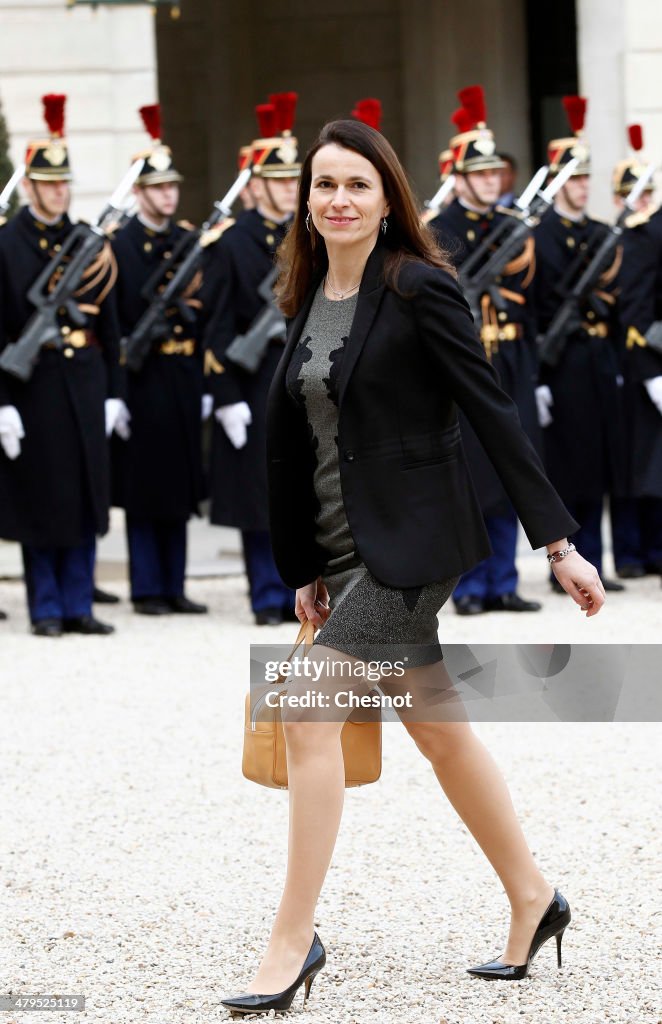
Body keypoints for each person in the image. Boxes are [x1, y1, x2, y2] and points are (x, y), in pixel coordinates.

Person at [220, 118, 605, 1016]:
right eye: (323, 186)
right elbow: (312, 443)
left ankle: (293, 939)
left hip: (411, 551)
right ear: (305, 200)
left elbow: (492, 413)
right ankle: (533, 897)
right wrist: (308, 561)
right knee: (440, 731)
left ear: (389, 196)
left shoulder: (422, 287)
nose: (338, 201)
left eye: (358, 184)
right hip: (343, 554)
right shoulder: (307, 291)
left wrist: (558, 543)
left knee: (308, 713)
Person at [0, 94, 123, 637]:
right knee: (41, 496)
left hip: (84, 380)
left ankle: (79, 603)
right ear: (28, 186)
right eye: (48, 184)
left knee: (84, 493)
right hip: (32, 386)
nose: (58, 191)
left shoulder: (86, 245)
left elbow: (112, 325)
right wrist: (2, 403)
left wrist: (114, 389)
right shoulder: (6, 244)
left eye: (64, 182)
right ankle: (46, 607)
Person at [430, 86, 542, 615]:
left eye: (495, 173)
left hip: (512, 360)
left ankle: (505, 581)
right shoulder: (438, 230)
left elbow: (533, 305)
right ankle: (470, 586)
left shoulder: (512, 226)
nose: (490, 180)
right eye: (480, 173)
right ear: (459, 177)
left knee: (511, 467)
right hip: (464, 366)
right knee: (469, 478)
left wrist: (537, 373)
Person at [203, 93, 300, 625]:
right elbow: (215, 327)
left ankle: (306, 593)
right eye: (279, 180)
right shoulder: (232, 243)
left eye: (295, 180)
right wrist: (225, 399)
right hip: (254, 381)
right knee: (262, 496)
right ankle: (267, 594)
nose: (289, 189)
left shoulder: (313, 236)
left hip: (304, 378)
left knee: (308, 493)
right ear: (256, 183)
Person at [110, 104, 210, 616]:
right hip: (142, 376)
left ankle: (174, 583)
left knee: (180, 479)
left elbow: (205, 309)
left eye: (172, 186)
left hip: (182, 371)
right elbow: (113, 322)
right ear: (138, 192)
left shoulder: (187, 240)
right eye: (157, 188)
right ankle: (147, 586)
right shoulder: (120, 246)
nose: (168, 195)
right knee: (145, 483)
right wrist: (116, 393)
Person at [534, 96, 626, 594]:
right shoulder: (542, 235)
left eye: (587, 178)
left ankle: (598, 560)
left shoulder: (597, 233)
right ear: (555, 181)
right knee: (568, 466)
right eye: (573, 179)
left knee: (599, 463)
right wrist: (540, 380)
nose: (582, 187)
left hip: (595, 356)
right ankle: (564, 561)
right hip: (561, 362)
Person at [609, 125, 662, 579]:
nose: (639, 202)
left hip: (645, 359)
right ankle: (630, 553)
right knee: (631, 463)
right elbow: (635, 311)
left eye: (646, 193)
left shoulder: (649, 234)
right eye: (632, 195)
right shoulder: (627, 237)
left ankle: (652, 551)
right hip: (627, 362)